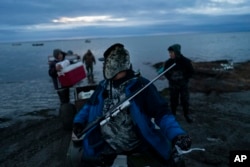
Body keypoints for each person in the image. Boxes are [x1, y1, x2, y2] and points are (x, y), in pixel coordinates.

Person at [71, 43, 192, 166]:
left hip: (135, 144)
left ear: (115, 64)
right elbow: (89, 105)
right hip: (105, 144)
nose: (103, 66)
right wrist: (79, 121)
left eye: (106, 63)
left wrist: (177, 135)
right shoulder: (103, 86)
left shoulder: (140, 86)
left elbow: (162, 113)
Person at [163, 44, 194, 123]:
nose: (170, 54)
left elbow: (191, 72)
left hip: (183, 85)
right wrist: (171, 79)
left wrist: (184, 79)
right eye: (169, 53)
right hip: (173, 85)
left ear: (176, 52)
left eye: (171, 52)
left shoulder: (186, 61)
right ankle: (173, 114)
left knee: (185, 100)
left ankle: (186, 115)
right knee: (173, 100)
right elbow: (165, 73)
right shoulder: (168, 62)